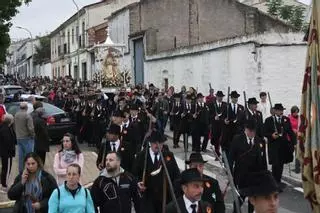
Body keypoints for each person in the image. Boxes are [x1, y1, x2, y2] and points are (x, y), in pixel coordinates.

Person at [133, 130, 180, 213]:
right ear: (150, 143)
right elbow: (134, 174)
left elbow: (176, 175)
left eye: (160, 142)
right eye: (155, 142)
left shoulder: (168, 155)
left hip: (165, 198)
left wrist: (174, 191)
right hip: (147, 197)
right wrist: (138, 183)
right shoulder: (142, 155)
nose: (158, 145)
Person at [229, 119, 267, 213]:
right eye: (250, 130)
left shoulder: (260, 141)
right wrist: (229, 172)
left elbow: (263, 161)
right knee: (238, 201)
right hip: (241, 176)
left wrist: (264, 177)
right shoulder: (237, 139)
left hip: (254, 177)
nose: (252, 133)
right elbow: (231, 157)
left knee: (253, 202)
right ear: (245, 129)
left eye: (254, 131)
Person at [264, 104, 296, 187]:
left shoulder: (286, 119)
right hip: (274, 146)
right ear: (275, 111)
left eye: (282, 110)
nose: (281, 112)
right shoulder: (269, 120)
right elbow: (264, 132)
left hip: (283, 146)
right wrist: (271, 135)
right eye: (279, 110)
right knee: (275, 165)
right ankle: (274, 183)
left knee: (281, 164)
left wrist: (294, 143)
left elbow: (290, 132)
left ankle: (278, 181)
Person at [14, 102, 35, 173]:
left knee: (21, 156)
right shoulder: (27, 116)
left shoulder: (16, 115)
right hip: (27, 138)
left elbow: (14, 126)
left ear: (20, 108)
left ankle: (21, 171)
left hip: (18, 137)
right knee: (29, 156)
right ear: (26, 108)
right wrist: (33, 135)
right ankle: (29, 170)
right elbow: (31, 128)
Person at [0, 114, 16, 193]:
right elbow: (8, 141)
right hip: (7, 153)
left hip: (4, 152)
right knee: (6, 169)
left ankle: (3, 184)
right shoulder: (6, 129)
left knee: (4, 168)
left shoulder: (4, 127)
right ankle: (4, 186)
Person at [209, 91, 227, 158]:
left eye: (221, 97)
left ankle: (221, 152)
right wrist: (214, 117)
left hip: (223, 125)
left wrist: (225, 119)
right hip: (215, 125)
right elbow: (209, 115)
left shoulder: (225, 105)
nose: (220, 98)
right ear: (216, 97)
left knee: (222, 139)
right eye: (219, 97)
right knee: (215, 139)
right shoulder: (212, 104)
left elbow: (226, 114)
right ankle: (217, 152)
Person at [288, 105, 300, 173]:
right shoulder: (289, 118)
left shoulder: (299, 118)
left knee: (297, 153)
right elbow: (287, 127)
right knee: (290, 152)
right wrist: (293, 129)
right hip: (291, 137)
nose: (296, 114)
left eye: (297, 112)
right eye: (295, 112)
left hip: (298, 137)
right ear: (292, 112)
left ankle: (297, 168)